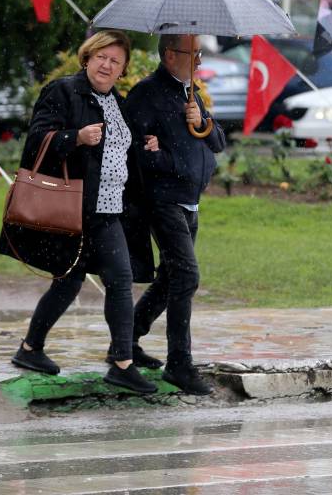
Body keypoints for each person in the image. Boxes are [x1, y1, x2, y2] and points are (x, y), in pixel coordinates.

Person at [0, 31, 157, 395]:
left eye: (115, 61)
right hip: (74, 209)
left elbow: (121, 149)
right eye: (101, 57)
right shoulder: (63, 91)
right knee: (68, 283)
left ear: (123, 70)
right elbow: (37, 139)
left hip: (109, 210)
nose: (107, 65)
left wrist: (147, 144)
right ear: (87, 57)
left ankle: (121, 363)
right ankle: (31, 348)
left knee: (119, 279)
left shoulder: (118, 103)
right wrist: (75, 138)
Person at [123, 34, 227, 396]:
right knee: (186, 275)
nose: (198, 61)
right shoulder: (146, 93)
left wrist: (201, 120)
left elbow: (218, 142)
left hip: (189, 200)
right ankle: (179, 363)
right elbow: (135, 151)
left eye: (199, 54)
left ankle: (126, 340)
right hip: (162, 200)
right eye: (192, 54)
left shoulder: (190, 92)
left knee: (170, 278)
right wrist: (164, 157)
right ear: (170, 55)